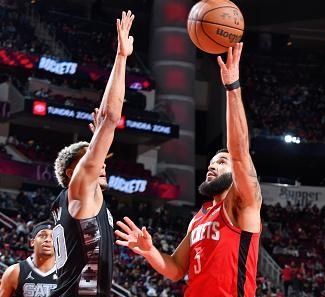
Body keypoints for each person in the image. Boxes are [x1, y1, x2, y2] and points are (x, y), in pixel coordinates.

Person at [116, 43, 262, 296]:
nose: (212, 166)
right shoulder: (199, 217)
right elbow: (175, 269)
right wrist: (150, 251)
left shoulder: (242, 204)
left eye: (221, 162)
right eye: (211, 163)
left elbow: (239, 153)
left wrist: (232, 88)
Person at [50, 10, 135, 297]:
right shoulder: (79, 189)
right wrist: (121, 58)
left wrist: (97, 139)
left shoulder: (76, 198)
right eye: (91, 161)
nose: (101, 164)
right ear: (72, 172)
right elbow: (111, 117)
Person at [0, 221, 57, 297]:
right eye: (42, 235)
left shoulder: (67, 273)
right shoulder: (14, 272)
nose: (48, 240)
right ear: (32, 242)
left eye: (53, 237)